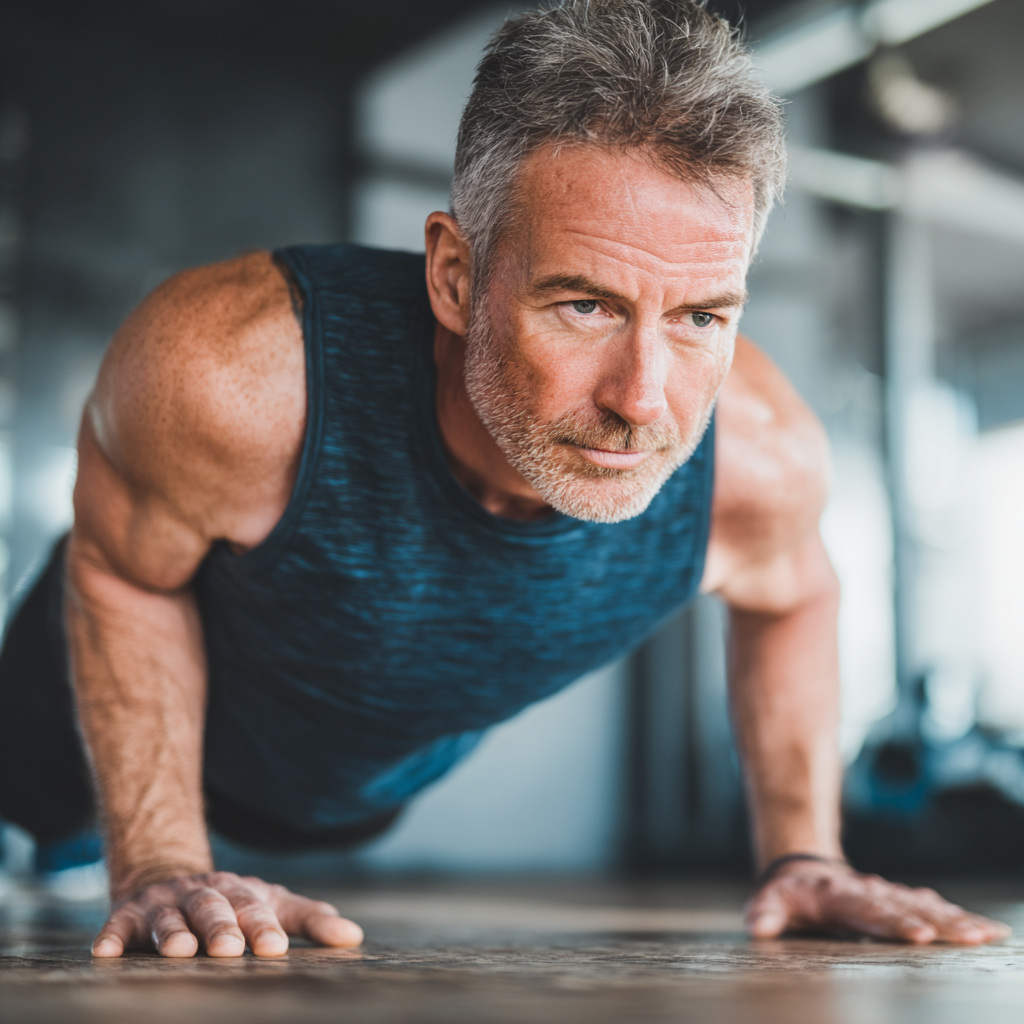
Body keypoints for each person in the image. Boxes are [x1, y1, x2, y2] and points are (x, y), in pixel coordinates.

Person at [0, 0, 1008, 956]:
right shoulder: (230, 375)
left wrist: (804, 853)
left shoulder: (760, 460)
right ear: (452, 274)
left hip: (337, 790)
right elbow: (128, 573)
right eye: (584, 306)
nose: (643, 400)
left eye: (701, 316)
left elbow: (794, 593)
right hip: (52, 732)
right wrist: (163, 858)